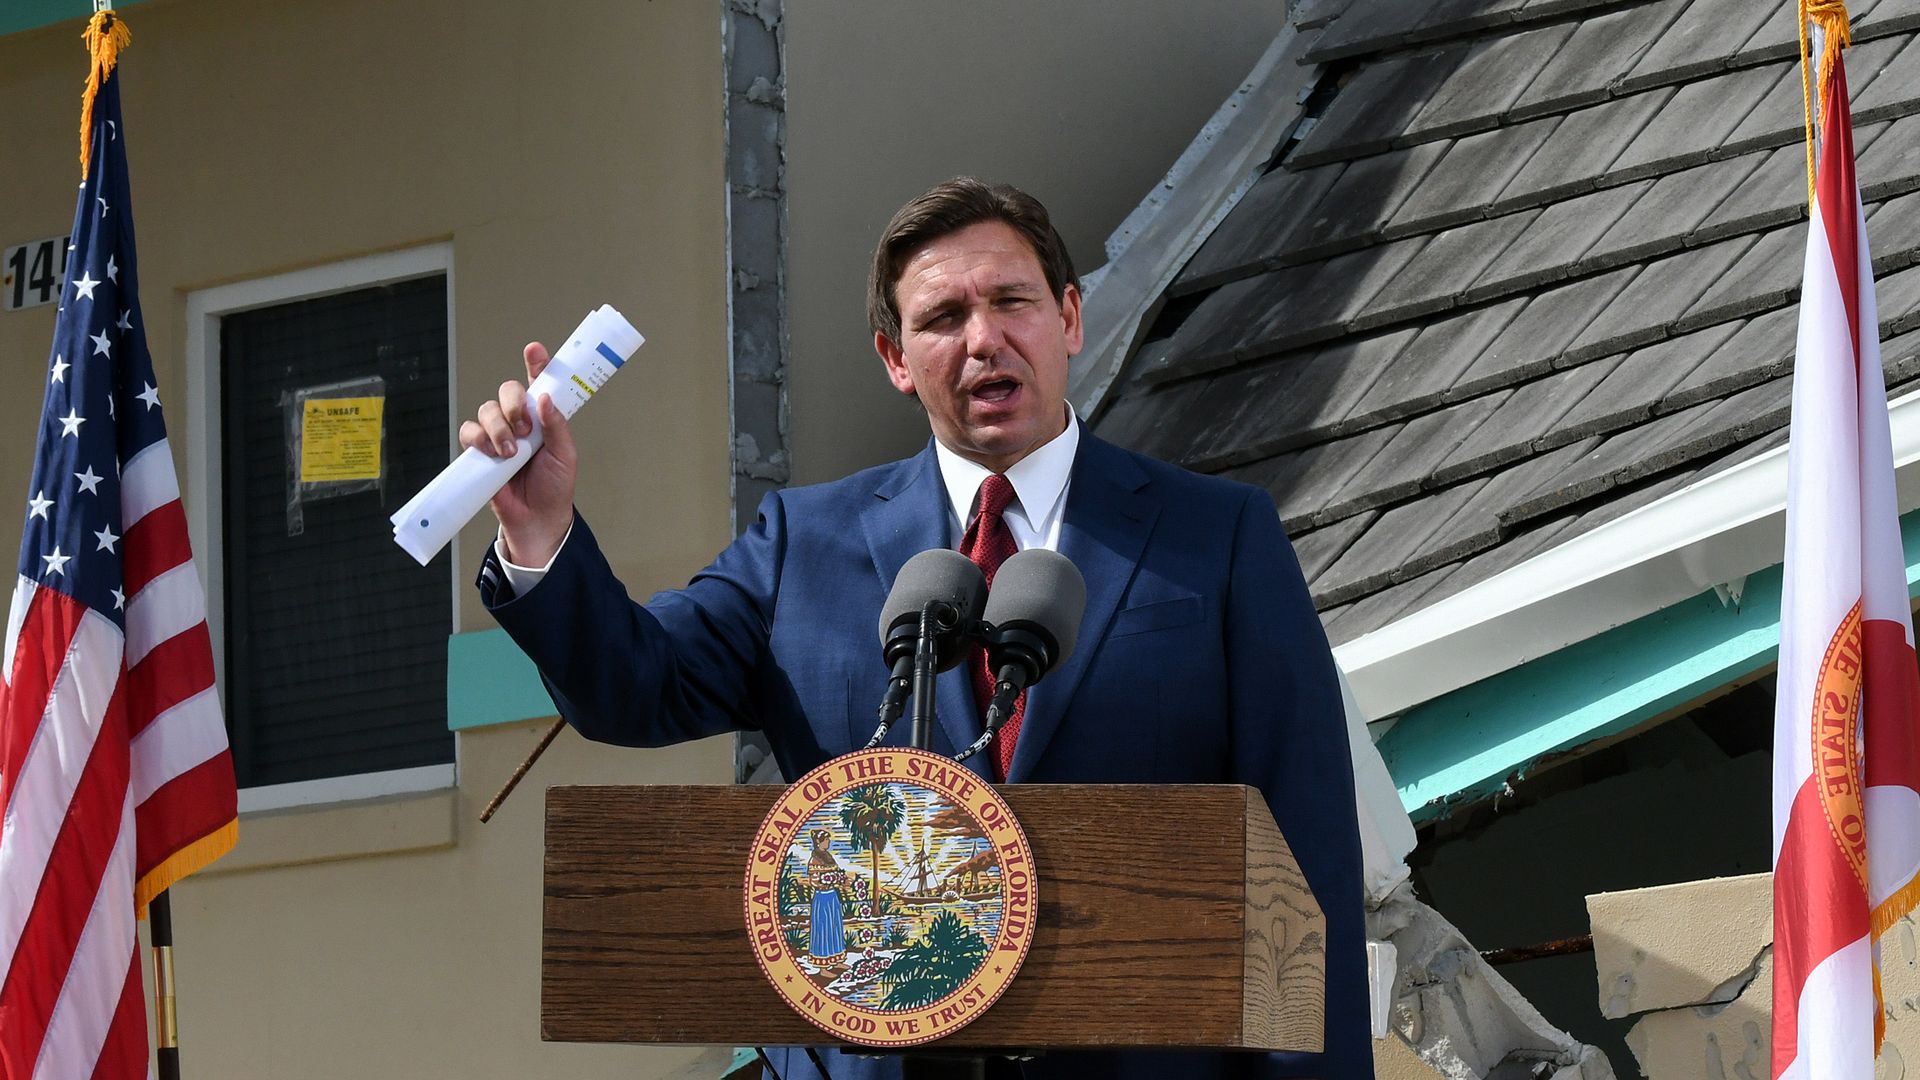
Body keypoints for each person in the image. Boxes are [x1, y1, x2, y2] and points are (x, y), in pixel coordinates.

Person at [466, 178, 1372, 1079]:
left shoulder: (1217, 536)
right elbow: (634, 686)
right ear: (896, 359)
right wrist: (539, 532)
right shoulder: (801, 546)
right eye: (943, 318)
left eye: (1012, 301)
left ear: (1068, 318)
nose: (984, 339)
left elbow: (1305, 849)